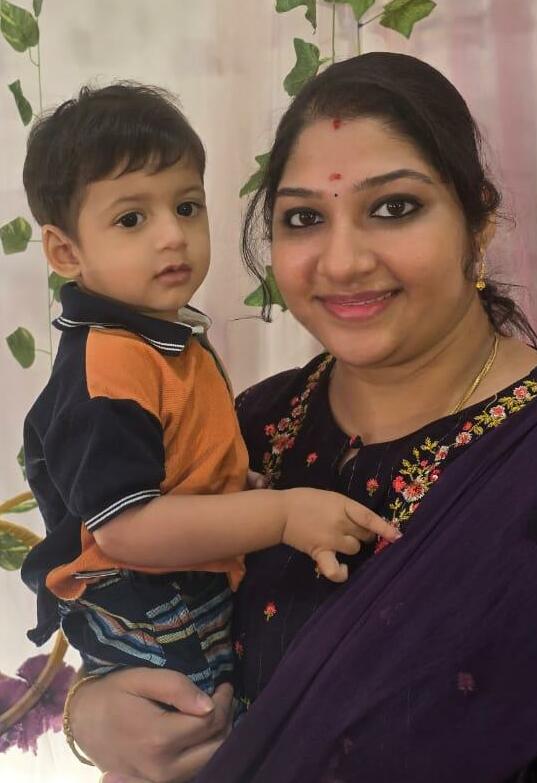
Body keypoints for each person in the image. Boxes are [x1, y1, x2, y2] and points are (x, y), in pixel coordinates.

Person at [66, 54, 537, 782]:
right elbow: (133, 608)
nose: (341, 263)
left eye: (394, 207)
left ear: (479, 220)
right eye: (304, 218)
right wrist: (90, 713)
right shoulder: (249, 426)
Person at [19, 83, 397, 699]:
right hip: (144, 597)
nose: (173, 235)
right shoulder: (109, 364)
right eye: (132, 219)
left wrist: (224, 482)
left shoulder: (158, 338)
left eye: (187, 207)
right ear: (65, 251)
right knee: (212, 722)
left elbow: (168, 456)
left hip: (180, 584)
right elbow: (126, 529)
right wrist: (281, 515)